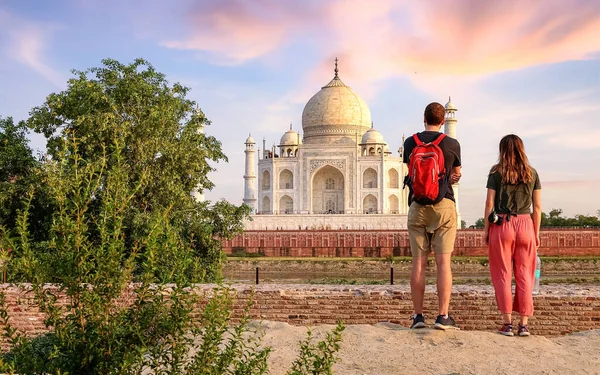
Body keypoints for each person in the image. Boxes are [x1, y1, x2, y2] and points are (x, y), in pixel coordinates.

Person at [403, 102, 462, 330]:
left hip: (417, 205)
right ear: (444, 120)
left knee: (418, 263)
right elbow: (456, 174)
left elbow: (410, 170)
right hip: (444, 204)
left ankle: (418, 316)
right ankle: (442, 315)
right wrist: (451, 178)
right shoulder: (451, 143)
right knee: (443, 263)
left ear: (424, 118)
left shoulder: (410, 142)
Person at [484, 134, 542, 337]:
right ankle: (523, 325)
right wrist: (535, 233)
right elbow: (538, 207)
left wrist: (486, 230)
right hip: (526, 224)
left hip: (503, 224)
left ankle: (507, 324)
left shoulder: (496, 172)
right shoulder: (532, 173)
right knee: (525, 274)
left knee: (502, 274)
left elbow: (489, 204)